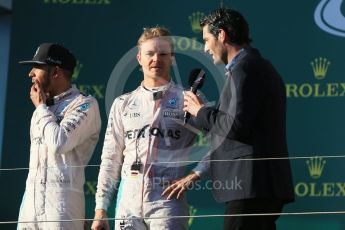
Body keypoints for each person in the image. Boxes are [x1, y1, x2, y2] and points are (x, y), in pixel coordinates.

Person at [167, 8, 295, 230]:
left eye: (207, 39)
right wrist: (193, 114)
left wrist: (200, 111)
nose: (206, 48)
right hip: (256, 187)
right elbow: (231, 126)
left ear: (222, 35)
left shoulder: (245, 68)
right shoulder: (251, 66)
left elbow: (235, 127)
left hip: (251, 187)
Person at [91, 27, 207, 230]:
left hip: (167, 202)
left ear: (172, 58)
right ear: (139, 58)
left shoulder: (188, 99)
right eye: (150, 54)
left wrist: (195, 174)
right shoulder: (123, 103)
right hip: (128, 204)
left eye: (163, 54)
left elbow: (222, 138)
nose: (156, 59)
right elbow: (110, 159)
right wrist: (100, 210)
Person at [17, 43, 101, 230]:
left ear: (55, 72)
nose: (30, 73)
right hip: (30, 206)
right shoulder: (43, 108)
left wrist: (40, 108)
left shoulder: (84, 104)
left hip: (61, 205)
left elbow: (59, 142)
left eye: (37, 67)